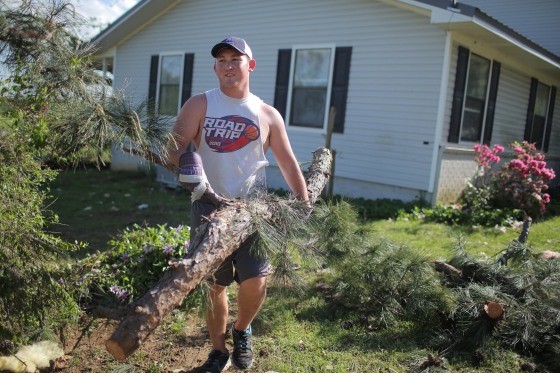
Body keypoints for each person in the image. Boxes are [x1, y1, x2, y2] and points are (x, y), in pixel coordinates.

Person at [166, 37, 309, 372]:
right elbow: (173, 149)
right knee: (214, 284)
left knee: (256, 279)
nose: (228, 65)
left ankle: (242, 329)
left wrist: (303, 202)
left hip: (252, 210)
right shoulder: (200, 104)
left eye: (236, 59)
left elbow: (287, 162)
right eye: (222, 60)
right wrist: (189, 164)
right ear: (215, 67)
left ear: (250, 65)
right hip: (208, 206)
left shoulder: (267, 114)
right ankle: (218, 351)